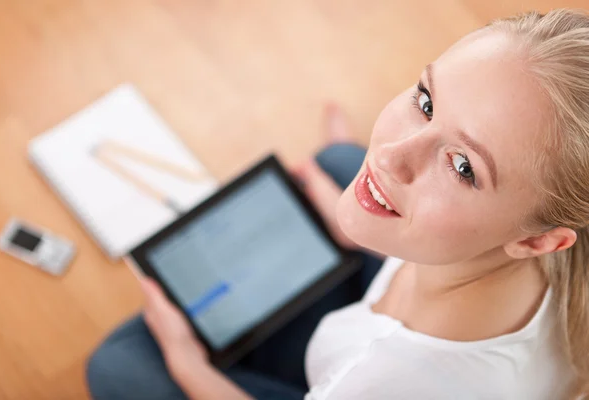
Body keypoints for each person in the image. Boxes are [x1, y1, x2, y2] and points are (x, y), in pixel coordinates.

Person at [85, 8, 589, 399]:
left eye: (462, 167)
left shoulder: (378, 382)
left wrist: (185, 361)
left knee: (118, 366)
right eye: (427, 102)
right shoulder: (550, 242)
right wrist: (354, 210)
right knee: (338, 162)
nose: (391, 155)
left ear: (539, 239)